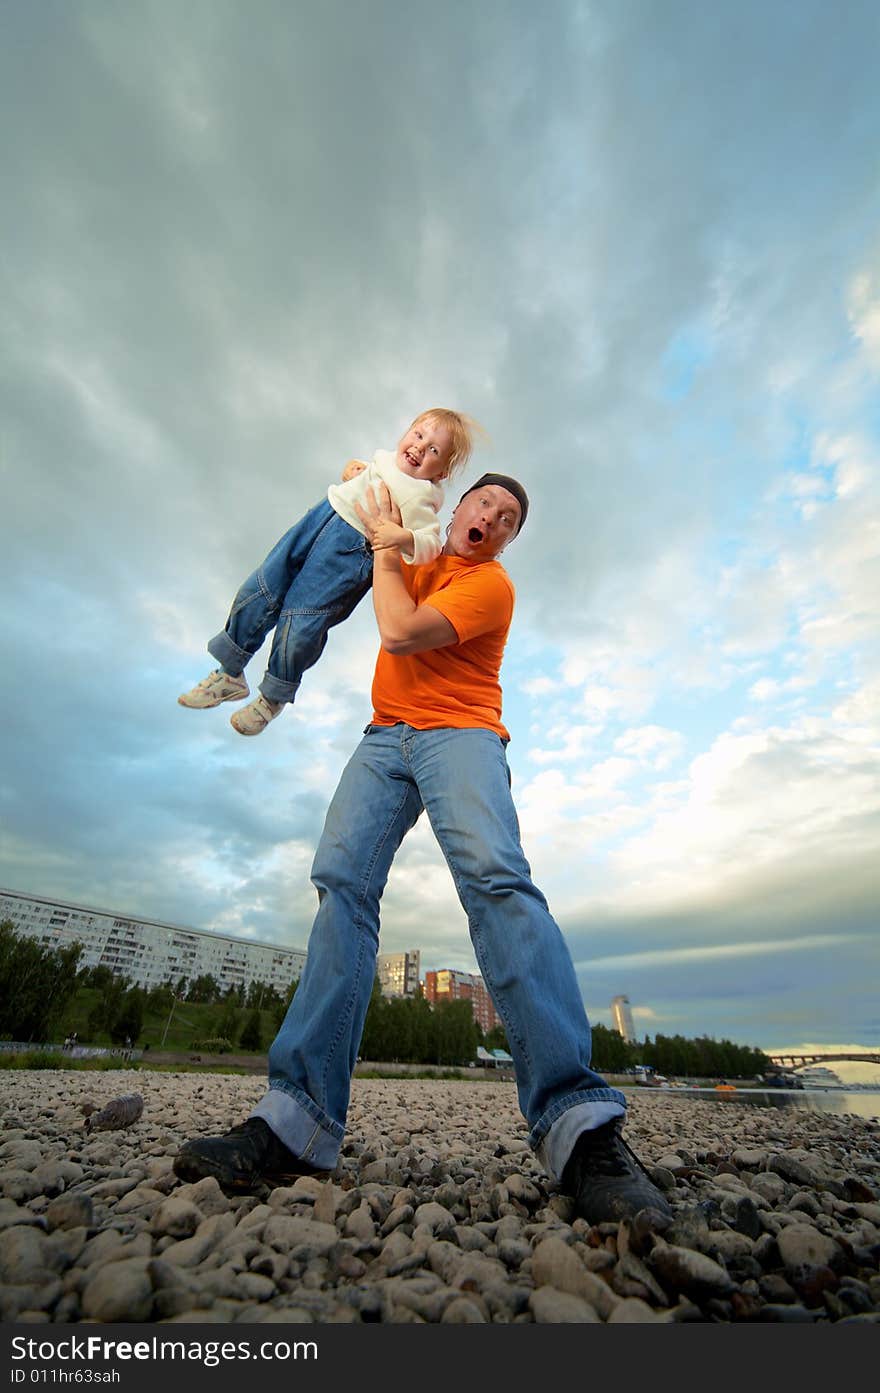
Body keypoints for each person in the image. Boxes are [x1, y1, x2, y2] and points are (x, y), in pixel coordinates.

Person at [174, 474, 670, 1224]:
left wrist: (383, 545)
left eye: (508, 520)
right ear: (458, 506)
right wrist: (358, 498)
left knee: (496, 878)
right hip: (384, 736)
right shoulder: (415, 546)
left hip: (462, 731)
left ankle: (582, 1127)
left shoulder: (490, 587)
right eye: (485, 505)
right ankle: (294, 1124)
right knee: (340, 882)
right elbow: (345, 556)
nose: (493, 520)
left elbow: (399, 629)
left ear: (506, 540)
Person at [177, 409, 474, 736]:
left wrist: (401, 537)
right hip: (320, 518)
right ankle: (229, 671)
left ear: (442, 472)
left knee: (302, 618)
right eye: (418, 435)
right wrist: (354, 468)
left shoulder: (421, 497)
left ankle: (272, 696)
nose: (420, 447)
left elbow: (431, 543)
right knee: (261, 588)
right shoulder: (385, 460)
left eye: (433, 450)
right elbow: (363, 472)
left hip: (349, 552)